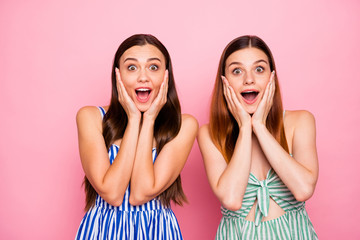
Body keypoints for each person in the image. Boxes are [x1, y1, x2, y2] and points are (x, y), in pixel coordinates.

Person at [75, 34, 198, 239]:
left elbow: (141, 193)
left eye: (153, 67)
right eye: (132, 67)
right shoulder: (91, 117)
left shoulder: (183, 125)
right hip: (102, 230)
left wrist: (148, 119)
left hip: (157, 231)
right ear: (118, 76)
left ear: (166, 76)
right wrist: (133, 118)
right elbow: (112, 194)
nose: (143, 77)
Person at [197, 35, 318, 239]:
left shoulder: (300, 121)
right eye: (237, 71)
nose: (249, 79)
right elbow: (232, 198)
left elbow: (303, 189)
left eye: (259, 69)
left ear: (272, 77)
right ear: (224, 82)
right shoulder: (209, 134)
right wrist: (245, 127)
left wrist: (259, 126)